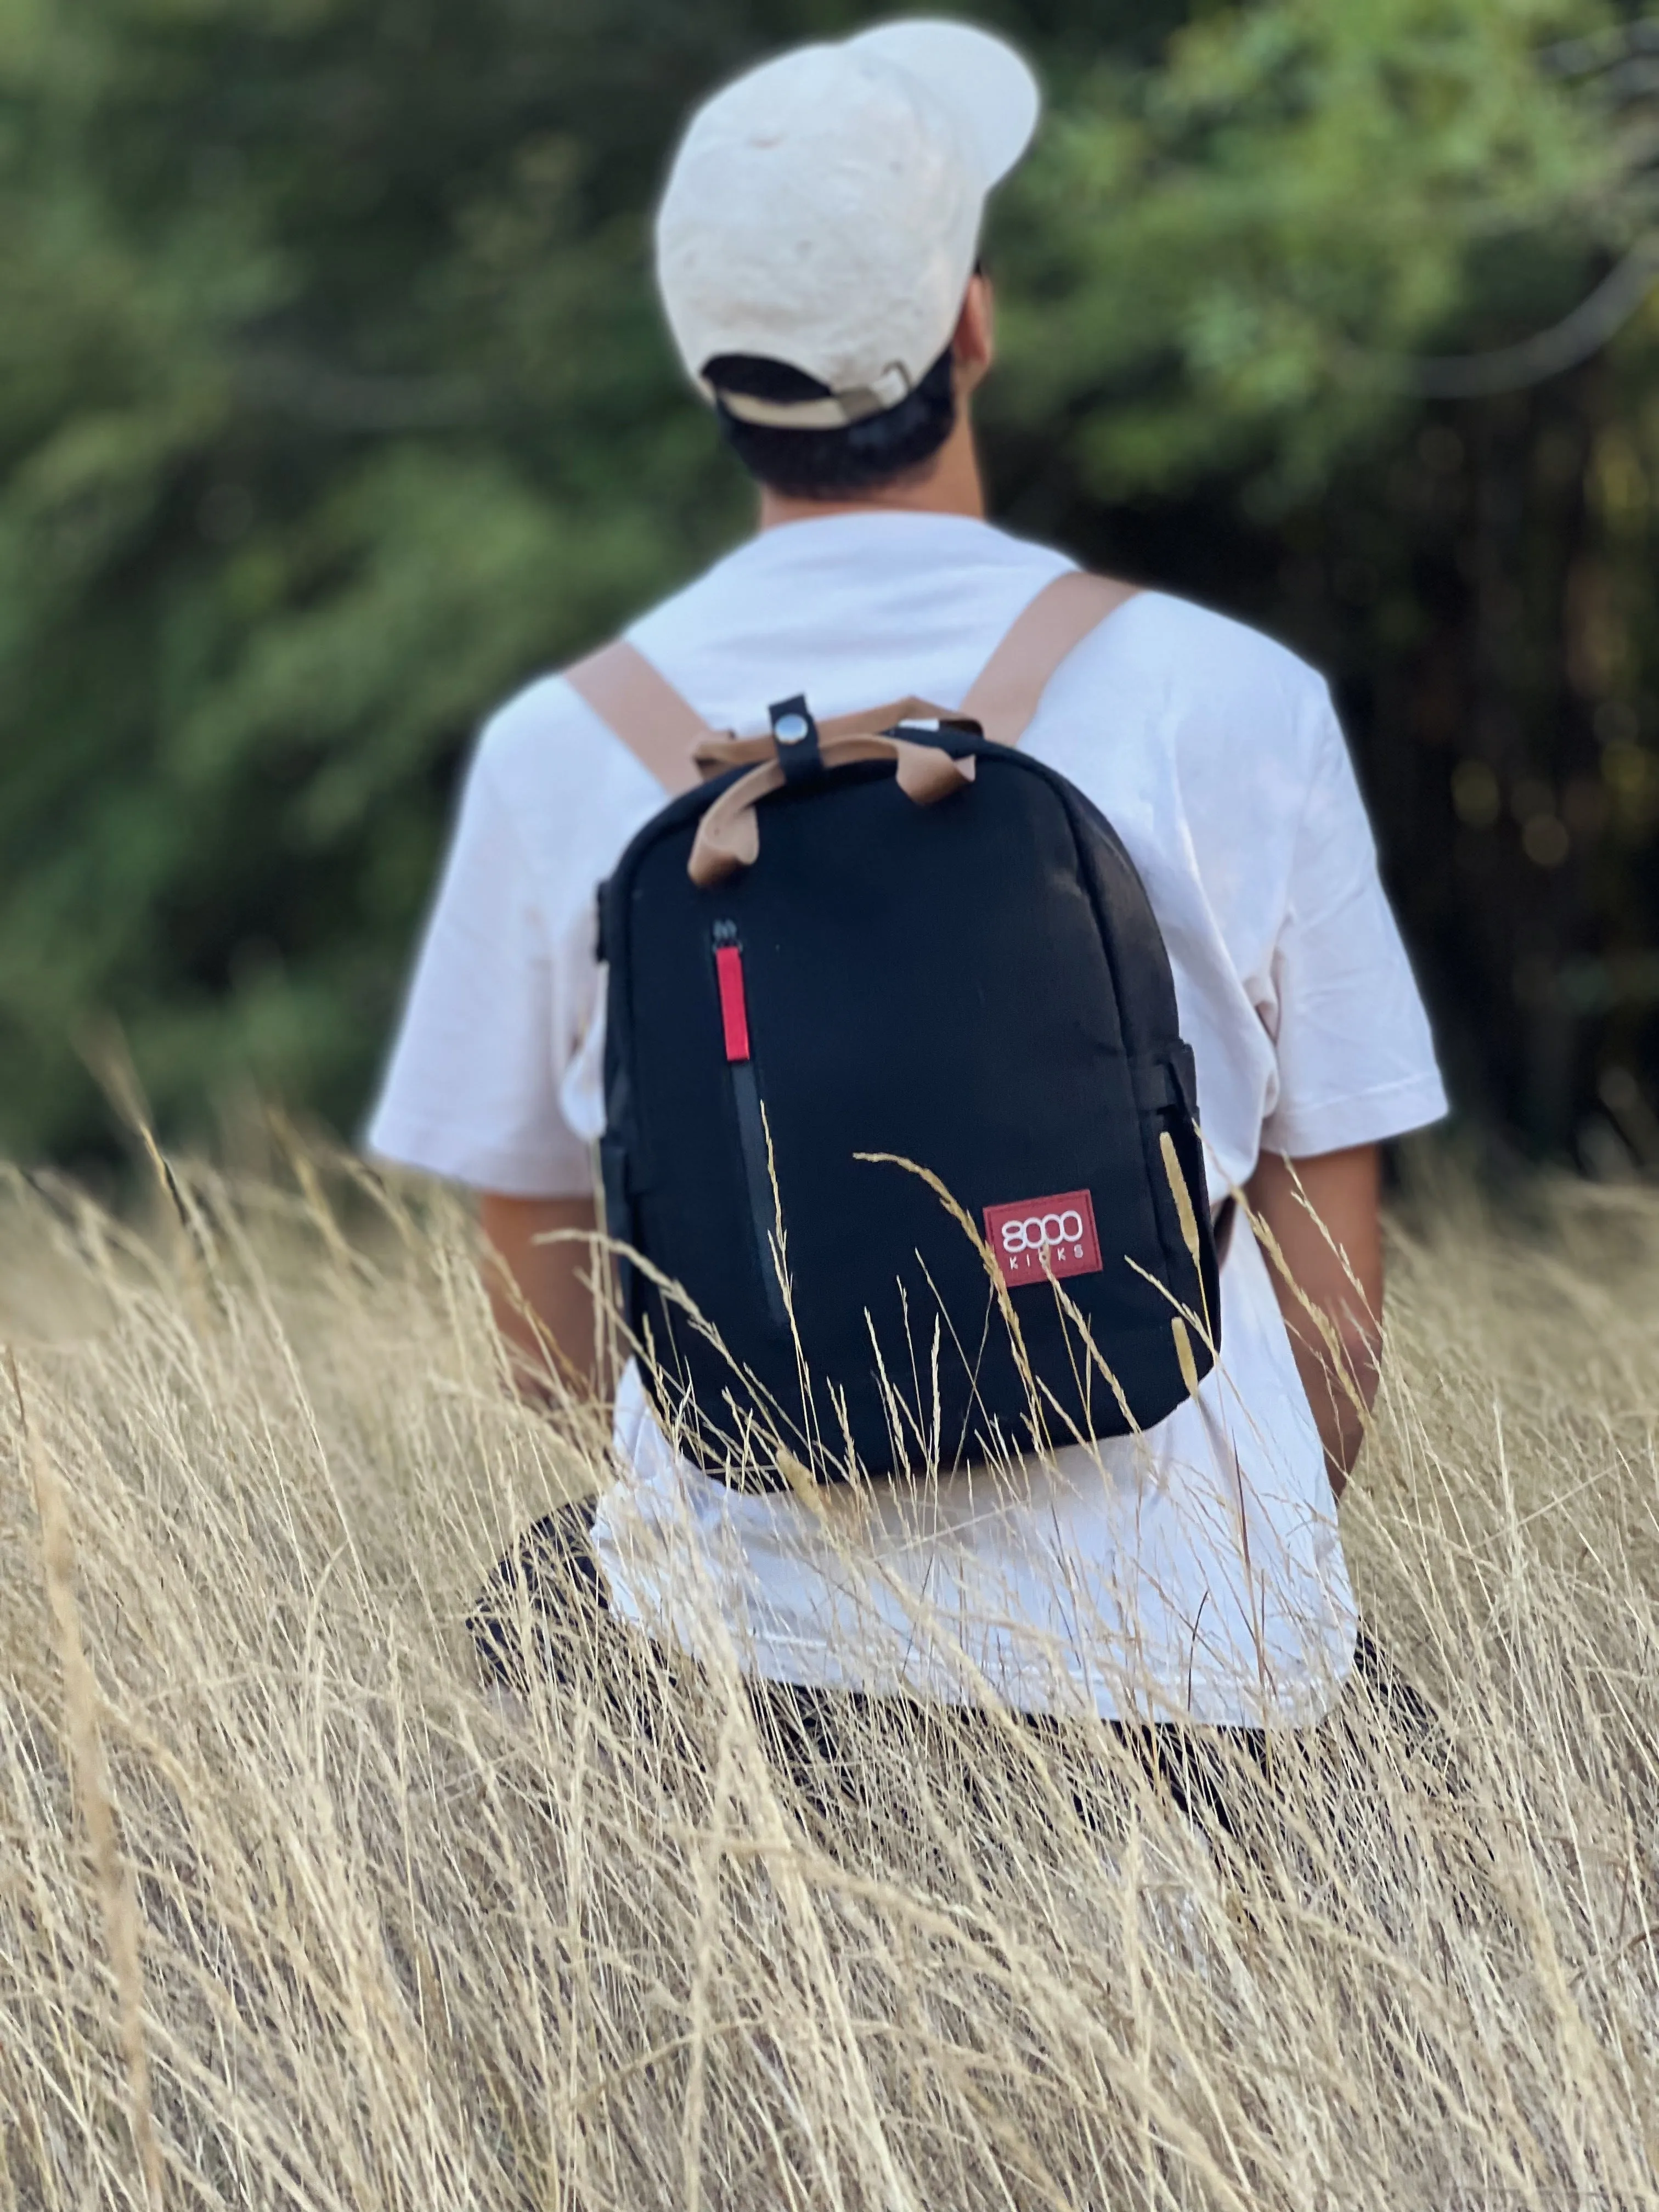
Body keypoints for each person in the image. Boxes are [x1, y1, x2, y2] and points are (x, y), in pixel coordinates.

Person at [366, 20, 1447, 1758]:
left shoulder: (561, 753)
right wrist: (1204, 1518)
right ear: (971, 326)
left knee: (537, 1607)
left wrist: (778, 1470)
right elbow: (1333, 1288)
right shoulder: (1235, 698)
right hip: (1199, 1662)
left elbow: (545, 1327)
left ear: (711, 374)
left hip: (747, 1670)